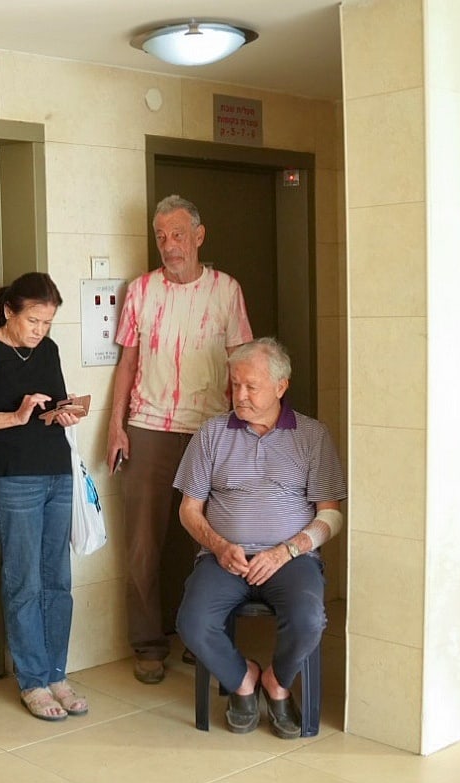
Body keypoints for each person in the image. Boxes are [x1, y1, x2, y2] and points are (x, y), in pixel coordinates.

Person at [105, 195, 253, 683]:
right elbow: (127, 362)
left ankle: (200, 636)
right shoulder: (141, 291)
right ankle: (148, 644)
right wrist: (116, 425)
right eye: (162, 237)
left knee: (209, 542)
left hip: (210, 431)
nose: (170, 246)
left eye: (178, 235)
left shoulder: (226, 291)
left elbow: (241, 363)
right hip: (148, 427)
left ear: (199, 236)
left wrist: (244, 432)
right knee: (143, 545)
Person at [174, 337, 345, 738]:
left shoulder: (312, 436)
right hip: (223, 559)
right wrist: (217, 545)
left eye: (252, 386)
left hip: (291, 560)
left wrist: (288, 551)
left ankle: (277, 682)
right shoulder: (212, 434)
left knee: (308, 620)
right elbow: (189, 509)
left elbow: (331, 516)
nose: (241, 395)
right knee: (192, 622)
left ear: (281, 387)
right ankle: (244, 680)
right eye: (236, 385)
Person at [0, 273, 90, 722]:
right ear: (9, 311)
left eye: (48, 322)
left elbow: (54, 404)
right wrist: (16, 414)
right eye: (33, 320)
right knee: (24, 582)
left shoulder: (47, 350)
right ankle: (32, 680)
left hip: (56, 473)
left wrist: (64, 413)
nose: (40, 330)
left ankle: (56, 673)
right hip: (12, 479)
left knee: (58, 582)